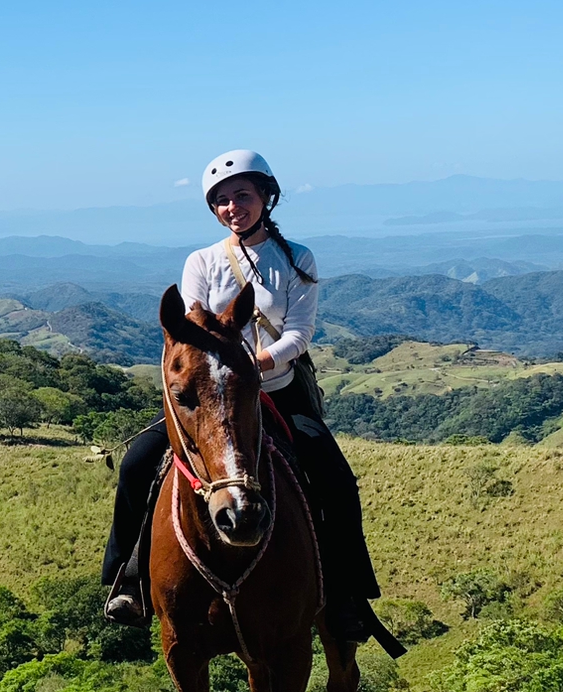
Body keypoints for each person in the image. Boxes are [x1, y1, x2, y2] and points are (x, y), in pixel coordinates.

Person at [103, 148, 382, 651]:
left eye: (243, 196)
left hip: (278, 391)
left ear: (265, 198)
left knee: (334, 477)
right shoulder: (203, 261)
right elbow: (192, 328)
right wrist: (224, 375)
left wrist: (254, 367)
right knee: (138, 462)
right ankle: (128, 578)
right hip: (215, 398)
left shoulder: (297, 259)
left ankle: (347, 594)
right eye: (223, 200)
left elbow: (299, 334)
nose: (234, 207)